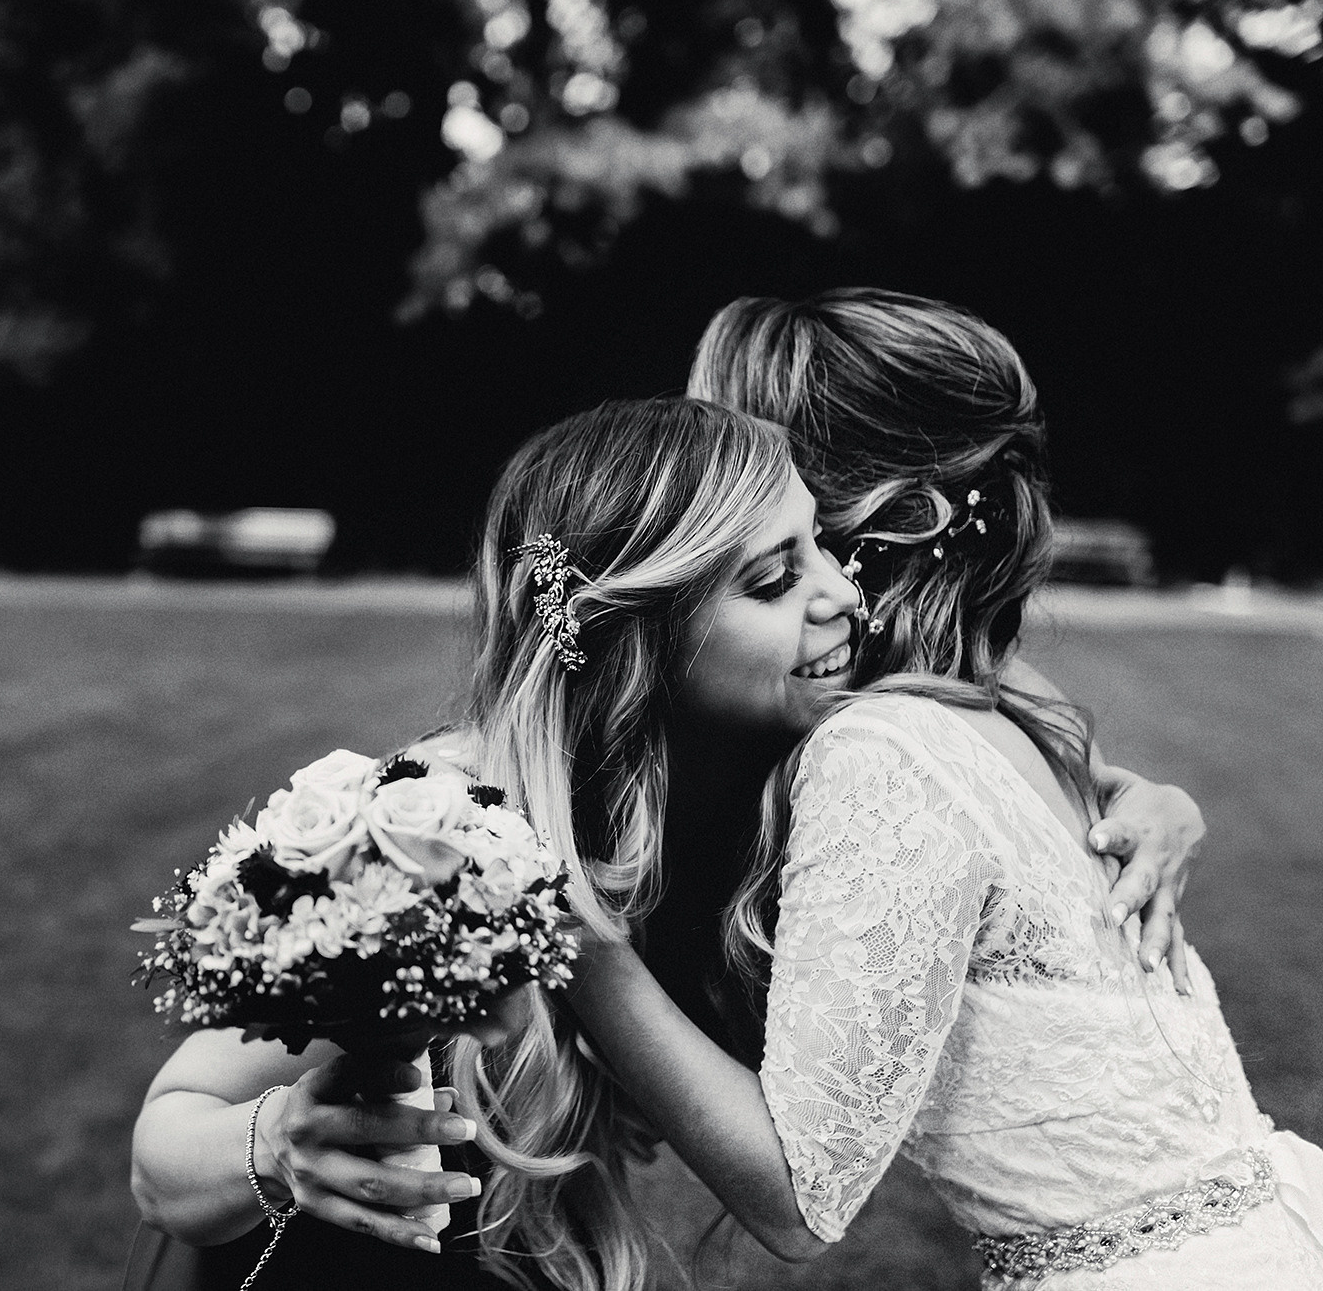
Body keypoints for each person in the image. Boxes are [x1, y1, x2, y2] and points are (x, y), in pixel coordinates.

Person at [129, 370, 1204, 1287]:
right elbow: (163, 1147)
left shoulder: (827, 775)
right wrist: (277, 1145)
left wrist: (1145, 801)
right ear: (638, 638)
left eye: (820, 550)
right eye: (775, 579)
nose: (841, 598)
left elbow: (1030, 770)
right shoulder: (438, 824)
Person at [458, 293, 1322, 1290]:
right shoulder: (989, 716)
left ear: (862, 512)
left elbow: (797, 1198)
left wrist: (565, 928)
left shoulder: (882, 750)